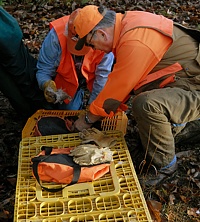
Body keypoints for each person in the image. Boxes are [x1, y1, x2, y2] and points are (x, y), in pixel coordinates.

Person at [69, 5, 200, 186]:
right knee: (146, 110)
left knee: (146, 105)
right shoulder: (128, 24)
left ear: (101, 34)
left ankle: (165, 166)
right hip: (186, 78)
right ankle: (188, 127)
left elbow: (118, 89)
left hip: (195, 85)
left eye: (91, 44)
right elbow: (124, 83)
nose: (96, 50)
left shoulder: (134, 41)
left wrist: (87, 119)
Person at [36, 9, 114, 110]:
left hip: (92, 77)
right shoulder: (56, 37)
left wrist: (92, 108)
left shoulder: (103, 39)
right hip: (65, 81)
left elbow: (103, 77)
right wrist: (45, 84)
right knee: (70, 109)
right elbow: (43, 69)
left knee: (105, 106)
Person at [0, 7, 54, 119]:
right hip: (6, 39)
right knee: (9, 86)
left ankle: (46, 112)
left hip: (6, 40)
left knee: (25, 77)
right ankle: (31, 116)